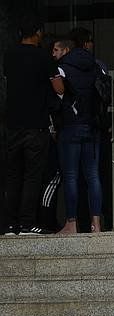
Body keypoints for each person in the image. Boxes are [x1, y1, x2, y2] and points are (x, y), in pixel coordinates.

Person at [3, 17, 60, 236]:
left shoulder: (9, 54)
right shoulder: (42, 56)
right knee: (32, 175)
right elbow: (58, 86)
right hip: (36, 124)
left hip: (12, 124)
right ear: (37, 33)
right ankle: (27, 223)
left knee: (13, 174)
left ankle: (10, 224)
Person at [52, 35, 104, 235]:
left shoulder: (61, 69)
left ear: (66, 50)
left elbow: (57, 96)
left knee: (71, 176)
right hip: (92, 127)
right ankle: (96, 224)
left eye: (56, 50)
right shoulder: (96, 66)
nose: (53, 54)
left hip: (71, 126)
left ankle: (71, 223)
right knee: (93, 175)